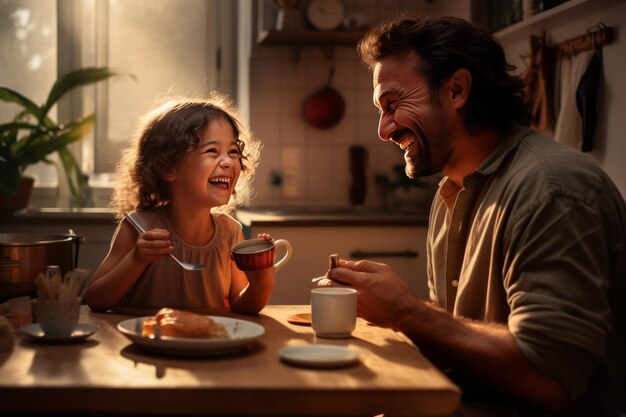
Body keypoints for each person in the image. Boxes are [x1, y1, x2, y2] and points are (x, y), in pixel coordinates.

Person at [319, 16, 626, 416]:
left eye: (392, 104)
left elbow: (550, 379)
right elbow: (457, 338)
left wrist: (407, 312)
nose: (383, 129)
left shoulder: (552, 190)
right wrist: (396, 316)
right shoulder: (451, 192)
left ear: (457, 90)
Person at [86, 95, 275, 315]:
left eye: (233, 152)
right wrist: (136, 259)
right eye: (212, 151)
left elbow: (242, 307)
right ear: (168, 168)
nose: (228, 161)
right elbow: (96, 299)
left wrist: (262, 281)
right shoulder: (138, 227)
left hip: (207, 345)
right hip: (147, 344)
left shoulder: (231, 233)